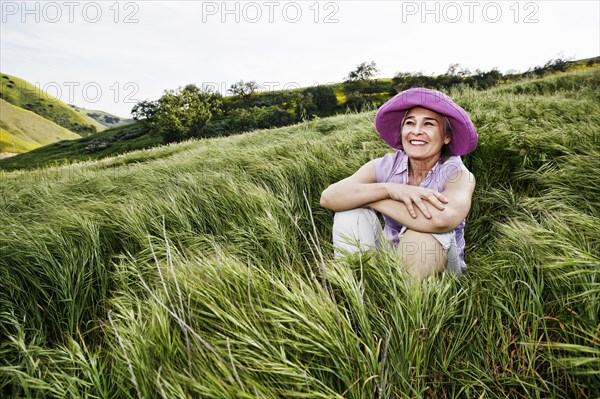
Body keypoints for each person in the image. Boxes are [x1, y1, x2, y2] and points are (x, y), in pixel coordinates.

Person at [320, 88, 478, 279]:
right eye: (409, 123)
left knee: (421, 235)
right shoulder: (385, 165)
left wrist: (369, 199)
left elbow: (443, 218)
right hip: (391, 258)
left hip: (441, 267)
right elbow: (329, 197)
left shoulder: (458, 174)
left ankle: (412, 304)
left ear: (446, 136)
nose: (416, 131)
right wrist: (390, 189)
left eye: (429, 124)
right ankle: (359, 291)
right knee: (350, 214)